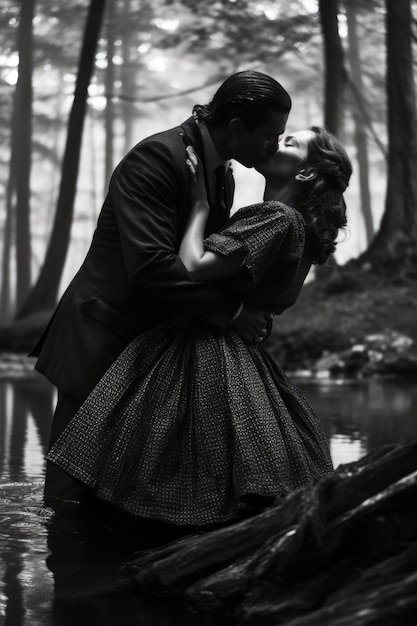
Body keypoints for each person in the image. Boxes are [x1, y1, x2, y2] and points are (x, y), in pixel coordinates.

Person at [46, 126, 353, 526]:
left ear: (307, 174)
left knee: (130, 460)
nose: (276, 141)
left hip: (204, 345)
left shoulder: (275, 216)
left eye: (290, 142)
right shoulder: (298, 225)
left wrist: (198, 208)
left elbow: (192, 266)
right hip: (236, 350)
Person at [30, 70, 292, 506]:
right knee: (68, 493)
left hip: (150, 343)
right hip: (103, 333)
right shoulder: (156, 157)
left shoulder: (221, 174)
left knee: (118, 486)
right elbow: (152, 268)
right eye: (271, 135)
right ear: (236, 128)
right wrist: (231, 315)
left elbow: (204, 260)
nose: (275, 145)